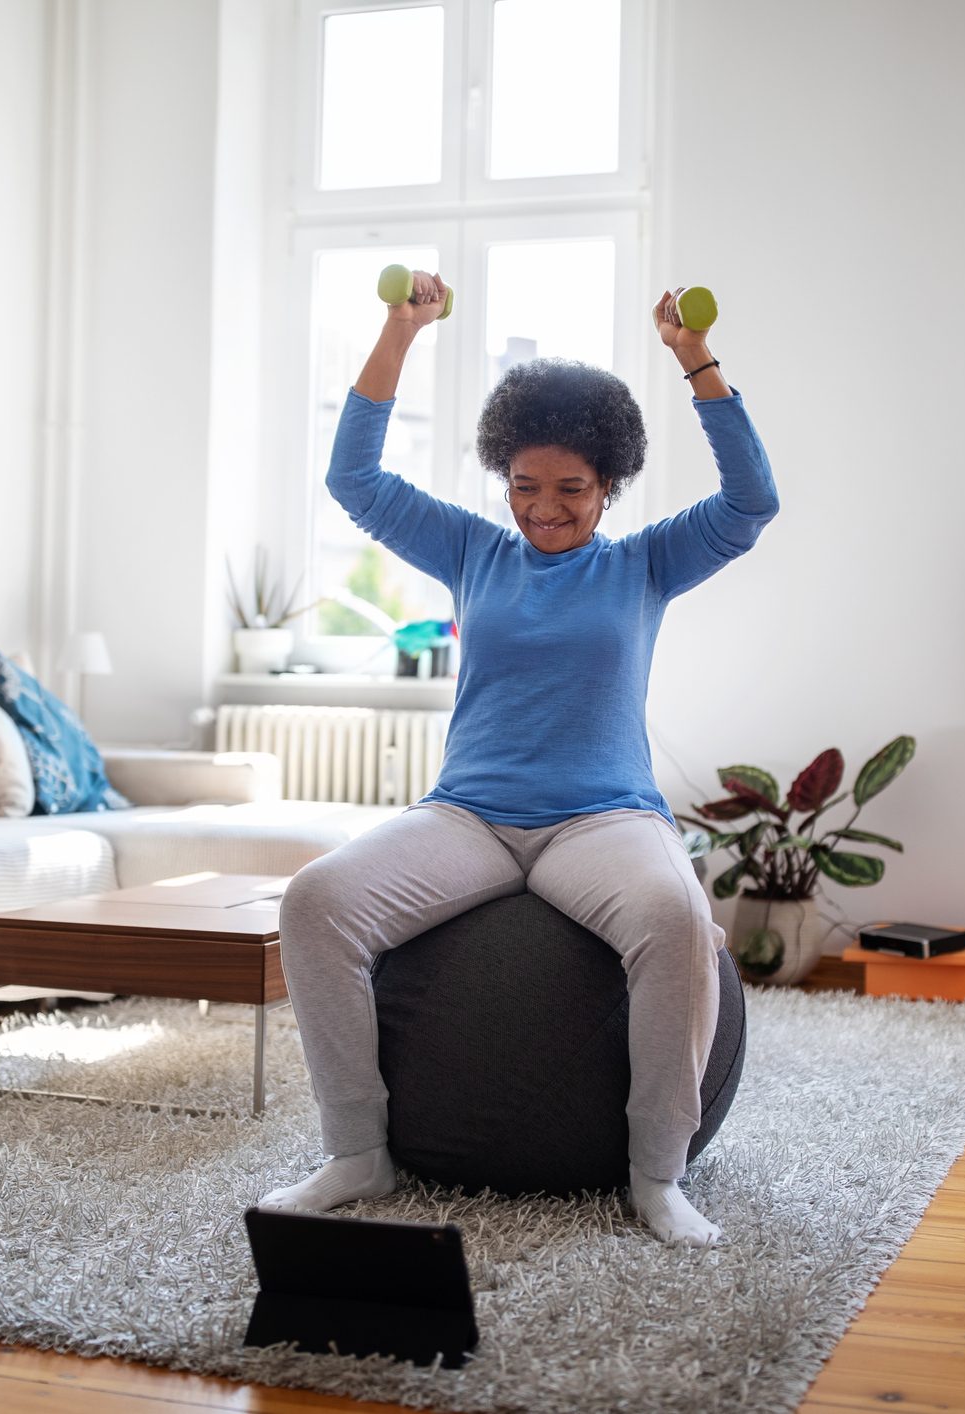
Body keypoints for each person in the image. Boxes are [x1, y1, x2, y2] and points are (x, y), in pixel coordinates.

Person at [258, 272, 781, 1245]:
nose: (544, 509)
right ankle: (357, 1151)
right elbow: (355, 481)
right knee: (315, 900)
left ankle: (656, 1175)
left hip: (604, 818)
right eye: (525, 486)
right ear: (504, 476)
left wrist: (693, 361)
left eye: (571, 490)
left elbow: (752, 500)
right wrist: (399, 330)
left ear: (610, 485)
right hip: (467, 817)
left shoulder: (645, 563)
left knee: (673, 918)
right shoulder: (473, 552)